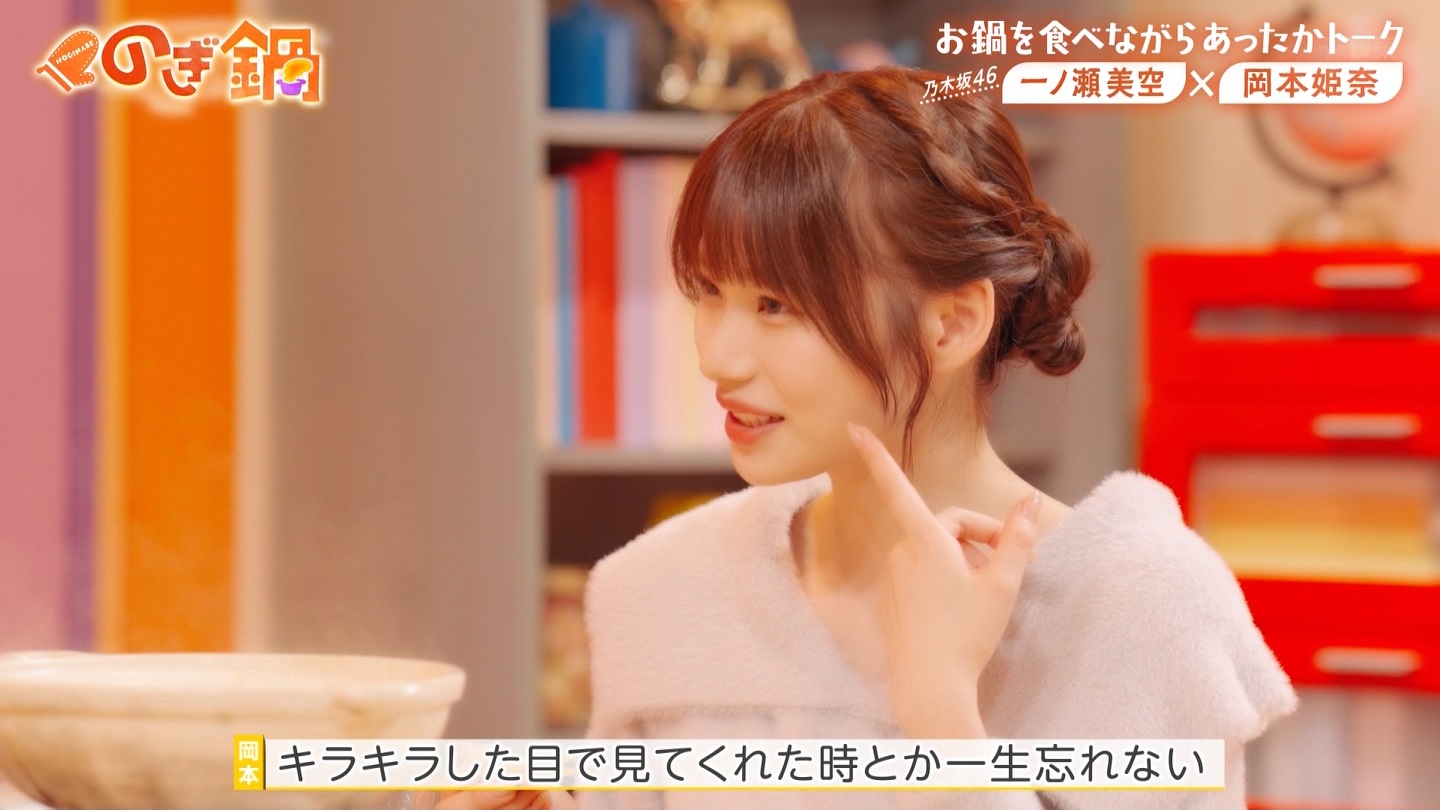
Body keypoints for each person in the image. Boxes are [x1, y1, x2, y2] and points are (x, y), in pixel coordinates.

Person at [437, 65, 1298, 809]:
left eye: (776, 304)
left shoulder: (1138, 610)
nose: (717, 356)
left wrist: (945, 721)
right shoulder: (663, 589)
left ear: (952, 323)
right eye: (708, 292)